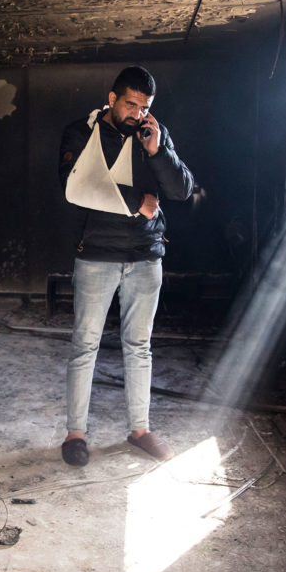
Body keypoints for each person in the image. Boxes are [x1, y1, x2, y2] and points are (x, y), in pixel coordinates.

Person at [57, 65, 194, 467]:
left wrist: (158, 151)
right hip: (97, 252)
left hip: (146, 254)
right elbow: (74, 186)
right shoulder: (81, 132)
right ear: (112, 98)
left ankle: (140, 431)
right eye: (131, 104)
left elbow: (180, 189)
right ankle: (75, 435)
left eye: (145, 106)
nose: (137, 113)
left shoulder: (152, 133)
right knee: (85, 346)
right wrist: (137, 201)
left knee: (139, 347)